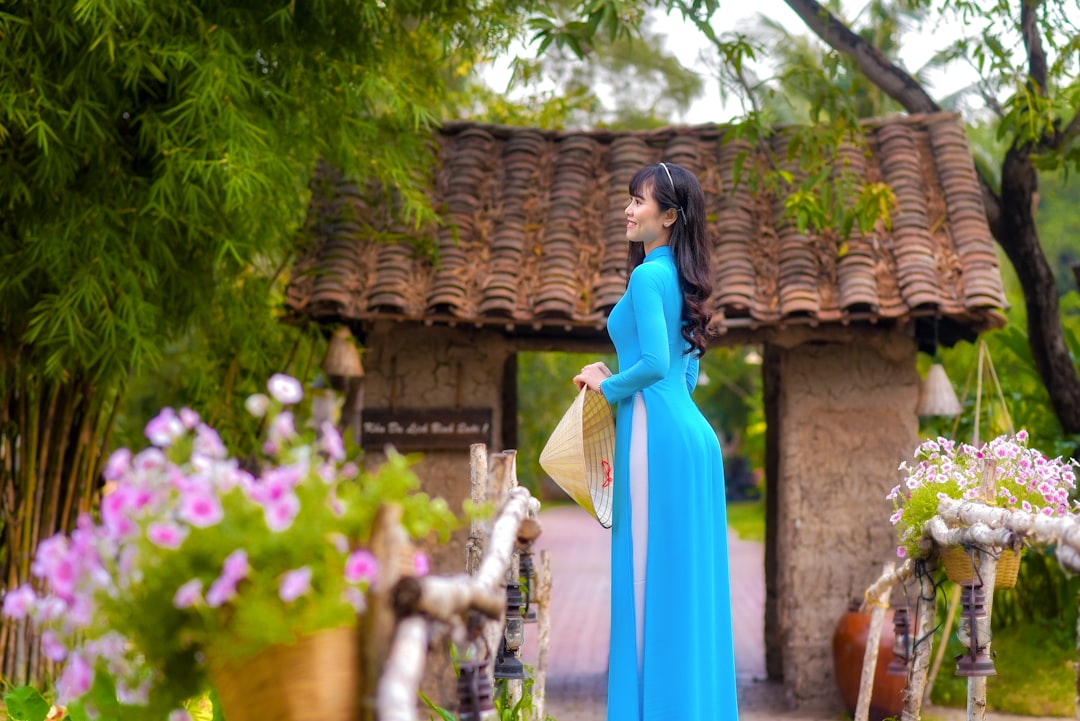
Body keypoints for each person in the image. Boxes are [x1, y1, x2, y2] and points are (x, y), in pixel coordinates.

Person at [573, 162, 739, 720]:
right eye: (630, 199)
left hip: (654, 436)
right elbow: (684, 372)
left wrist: (604, 384)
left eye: (639, 201)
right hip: (689, 433)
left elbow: (653, 362)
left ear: (669, 216)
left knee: (648, 579)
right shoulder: (679, 277)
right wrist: (626, 381)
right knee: (685, 584)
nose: (628, 209)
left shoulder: (647, 277)